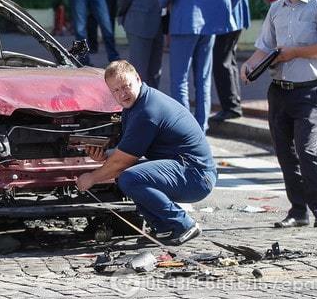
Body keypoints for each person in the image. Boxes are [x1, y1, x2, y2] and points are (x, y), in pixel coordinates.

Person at [241, 0, 317, 228]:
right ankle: (298, 211)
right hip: (279, 90)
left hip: (308, 91)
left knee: (306, 150)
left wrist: (295, 52)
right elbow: (265, 46)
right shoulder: (276, 8)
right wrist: (250, 64)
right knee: (285, 153)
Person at [76, 60, 216, 245]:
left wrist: (92, 178)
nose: (122, 94)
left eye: (126, 86)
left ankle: (182, 224)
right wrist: (105, 155)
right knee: (126, 177)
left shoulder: (147, 111)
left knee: (130, 178)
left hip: (196, 176)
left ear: (138, 79)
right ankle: (163, 228)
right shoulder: (135, 105)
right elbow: (124, 152)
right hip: (186, 169)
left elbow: (123, 161)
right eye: (115, 91)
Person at [159, 0, 246, 132]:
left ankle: (183, 128)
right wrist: (221, 10)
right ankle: (201, 126)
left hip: (183, 26)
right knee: (203, 79)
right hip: (209, 28)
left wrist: (162, 5)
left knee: (180, 80)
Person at [206, 0, 250, 122]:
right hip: (230, 19)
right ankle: (232, 104)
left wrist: (223, 14)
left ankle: (230, 106)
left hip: (229, 20)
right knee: (227, 61)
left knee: (221, 62)